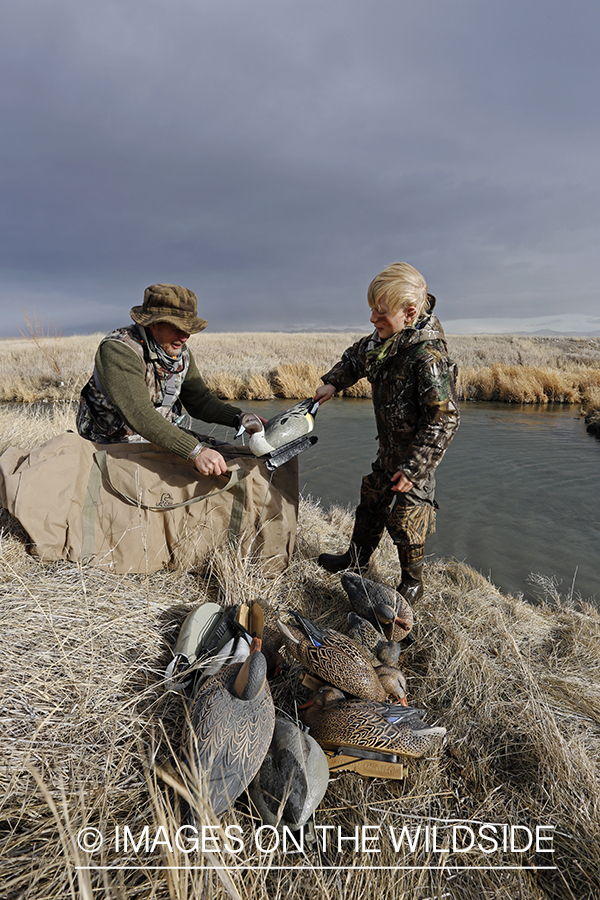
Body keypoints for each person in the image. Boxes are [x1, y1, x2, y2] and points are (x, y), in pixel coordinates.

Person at [313, 262, 460, 603]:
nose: (372, 320)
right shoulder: (382, 341)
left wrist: (413, 469)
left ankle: (412, 582)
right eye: (371, 311)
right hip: (388, 450)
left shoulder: (428, 357)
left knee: (408, 520)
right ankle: (356, 559)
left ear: (410, 313)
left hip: (415, 460)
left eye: (381, 313)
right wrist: (333, 383)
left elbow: (444, 420)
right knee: (371, 500)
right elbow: (354, 359)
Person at [77, 283, 262, 476]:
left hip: (162, 437)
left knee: (236, 459)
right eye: (178, 328)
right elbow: (139, 414)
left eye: (189, 329)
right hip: (112, 443)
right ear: (152, 323)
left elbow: (200, 402)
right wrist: (195, 451)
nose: (185, 337)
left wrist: (239, 418)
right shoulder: (119, 350)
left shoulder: (180, 353)